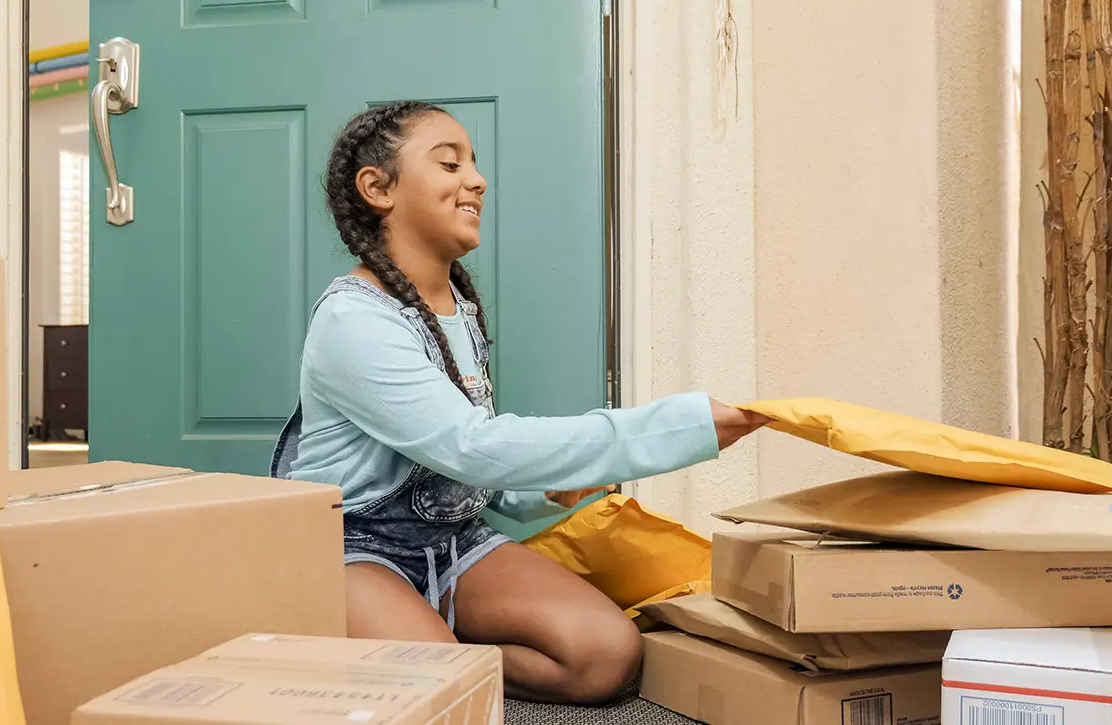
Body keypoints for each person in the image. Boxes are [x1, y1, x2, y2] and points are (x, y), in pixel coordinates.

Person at [272, 100, 770, 705]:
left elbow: (464, 472)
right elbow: (472, 447)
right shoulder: (353, 319)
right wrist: (683, 425)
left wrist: (546, 489)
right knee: (446, 693)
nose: (476, 179)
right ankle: (417, 653)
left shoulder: (458, 308)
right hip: (353, 551)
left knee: (605, 654)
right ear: (378, 187)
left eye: (474, 165)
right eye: (449, 163)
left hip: (454, 544)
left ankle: (430, 648)